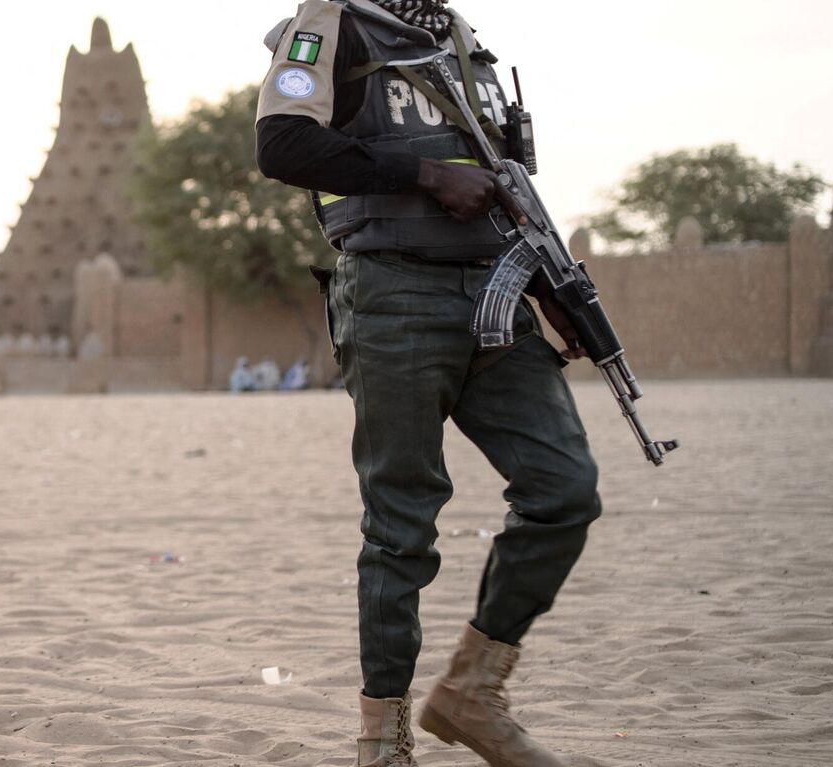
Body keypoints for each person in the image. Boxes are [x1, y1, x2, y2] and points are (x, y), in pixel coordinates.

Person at [256, 2, 599, 765]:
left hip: (496, 296)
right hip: (393, 295)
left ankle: (472, 692)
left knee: (565, 488)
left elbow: (503, 183)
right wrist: (424, 175)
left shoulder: (461, 41)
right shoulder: (333, 22)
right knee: (401, 526)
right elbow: (280, 143)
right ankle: (383, 736)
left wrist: (550, 289)